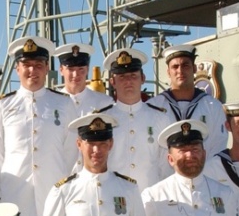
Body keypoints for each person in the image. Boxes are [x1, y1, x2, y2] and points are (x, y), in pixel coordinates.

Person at [0, 36, 80, 216]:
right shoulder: (3, 105)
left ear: (47, 68)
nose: (32, 71)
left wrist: (56, 178)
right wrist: (11, 182)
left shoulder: (64, 104)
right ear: (17, 69)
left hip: (53, 197)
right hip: (16, 198)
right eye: (26, 65)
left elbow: (70, 150)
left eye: (38, 65)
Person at [98, 48, 175, 189]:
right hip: (114, 198)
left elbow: (167, 166)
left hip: (150, 198)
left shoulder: (160, 118)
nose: (128, 81)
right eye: (122, 77)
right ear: (112, 82)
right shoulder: (103, 120)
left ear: (143, 79)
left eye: (133, 76)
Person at [148, 45, 227, 159]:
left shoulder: (213, 106)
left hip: (202, 174)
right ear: (168, 72)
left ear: (194, 68)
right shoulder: (153, 107)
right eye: (175, 67)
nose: (180, 71)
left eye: (185, 65)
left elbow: (218, 148)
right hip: (165, 176)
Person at [53, 43, 113, 116]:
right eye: (70, 69)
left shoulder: (105, 103)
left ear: (87, 69)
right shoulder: (52, 103)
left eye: (81, 69)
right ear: (61, 70)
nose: (75, 74)